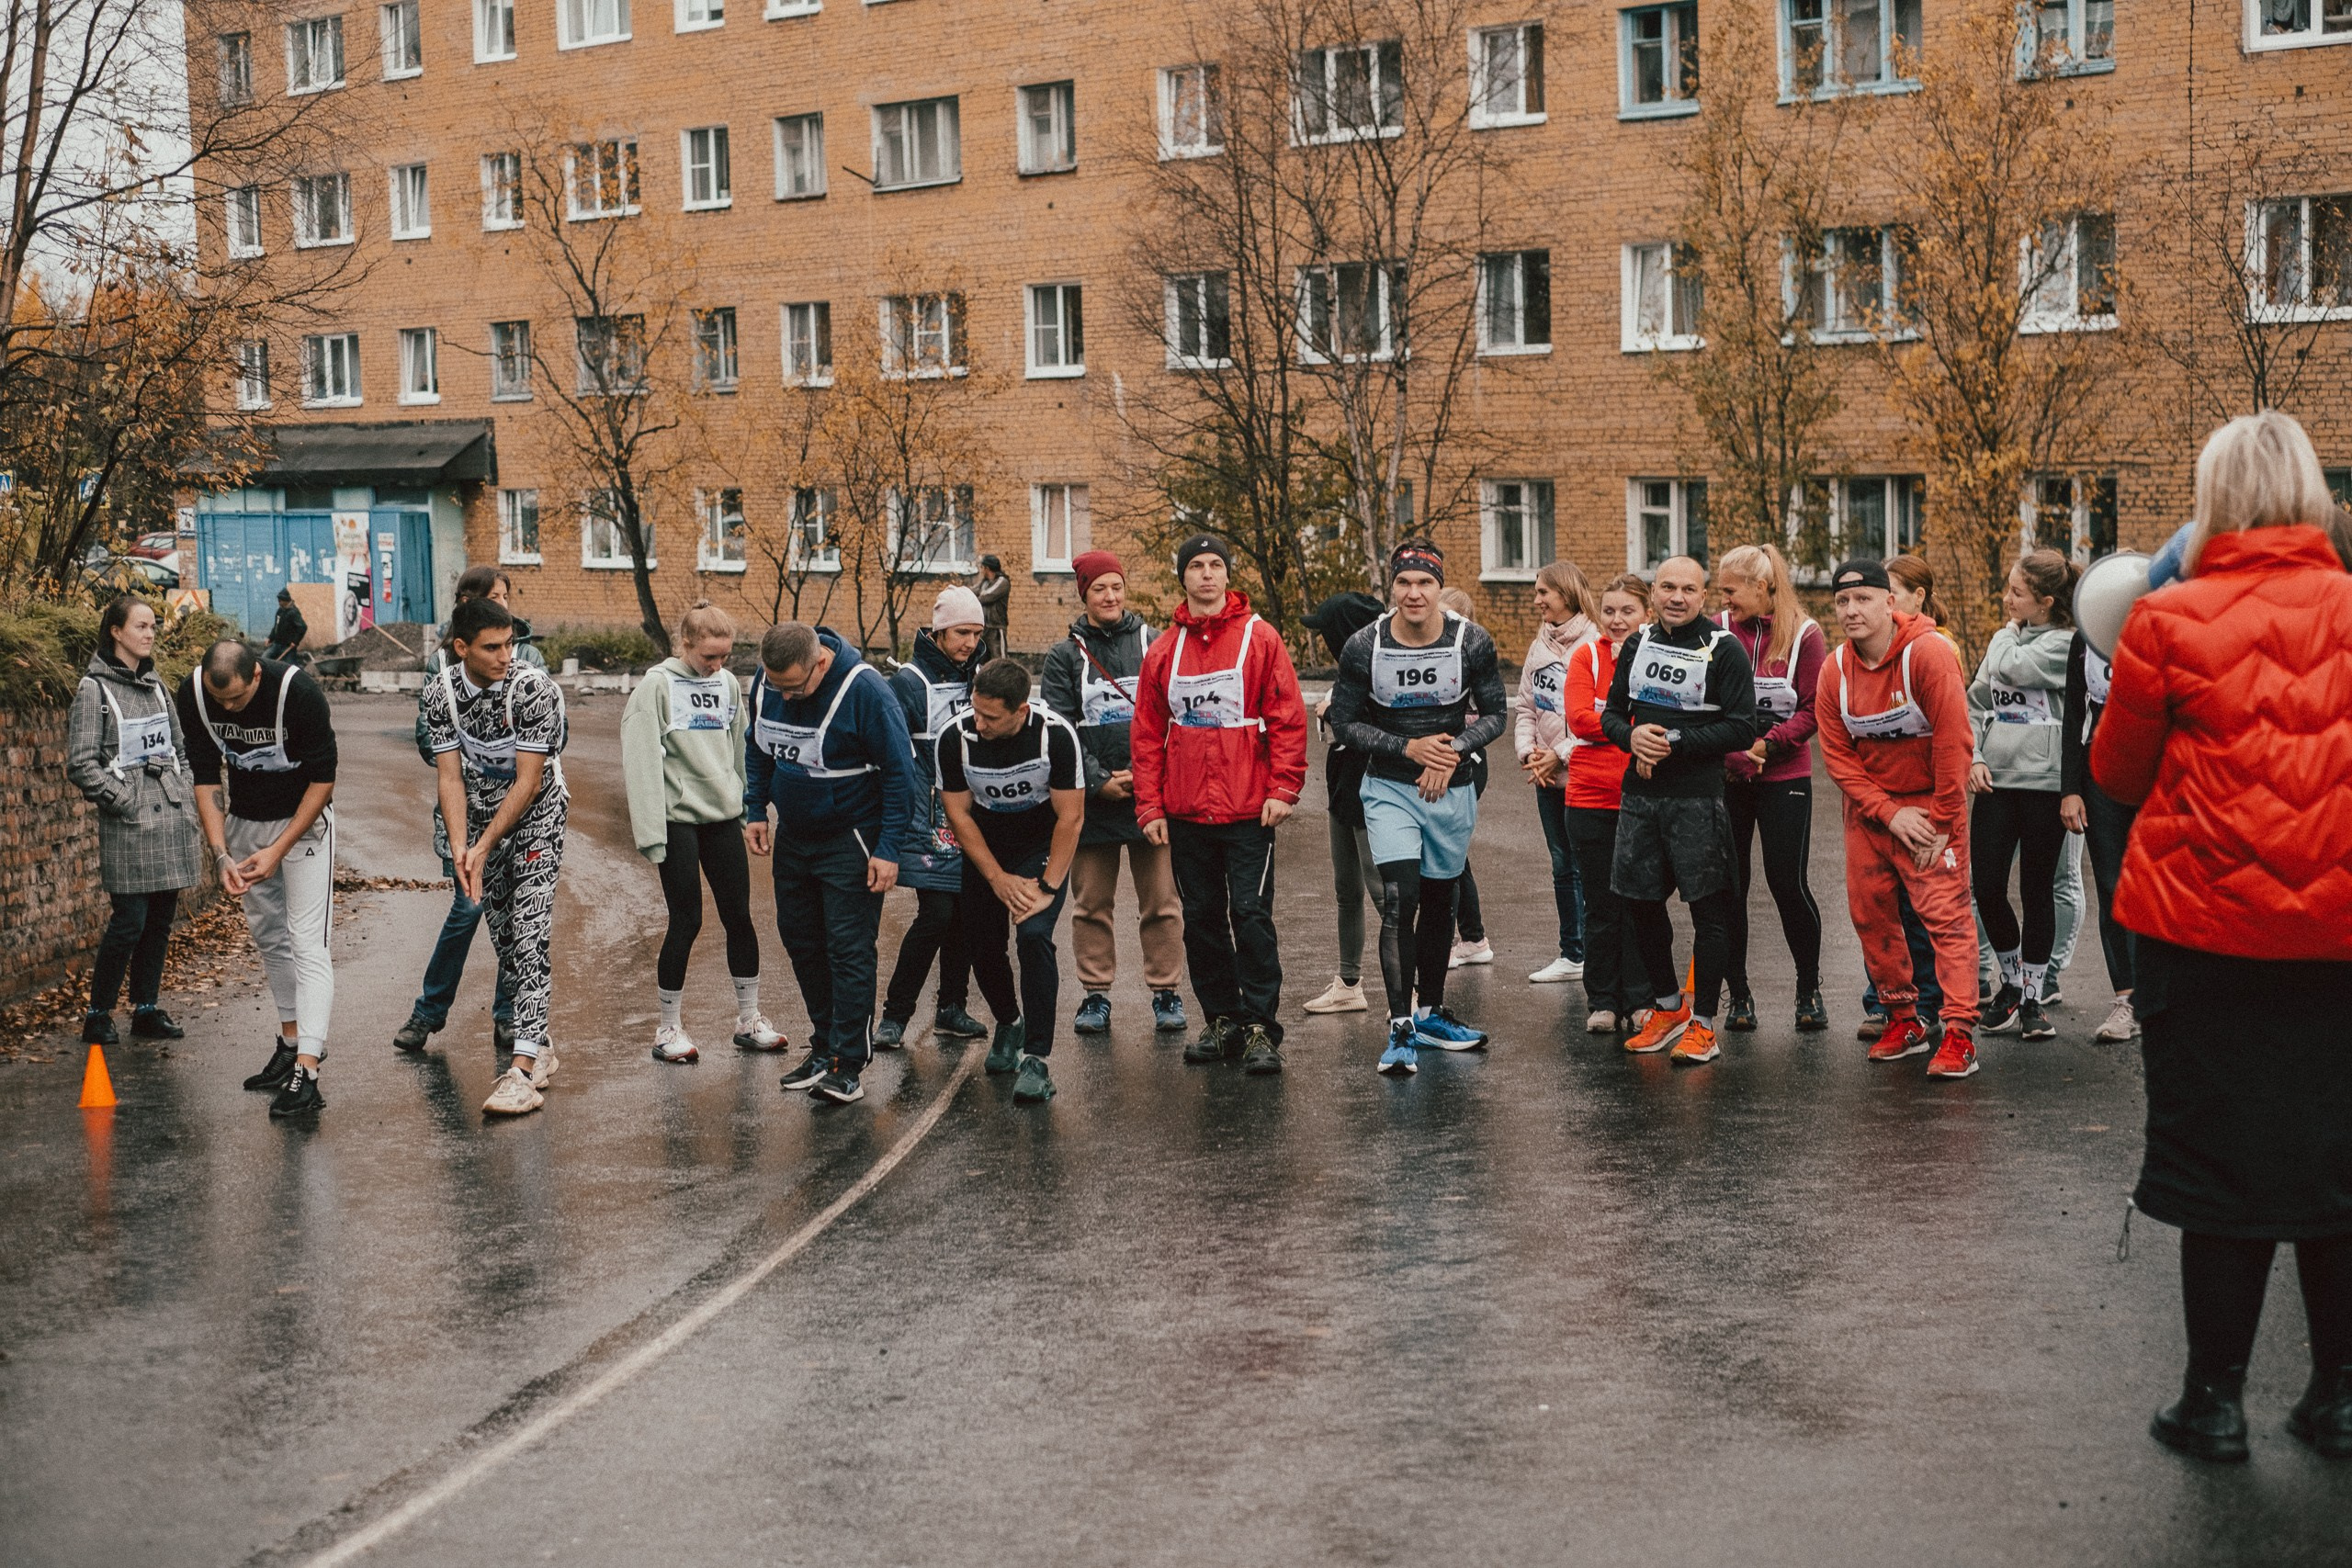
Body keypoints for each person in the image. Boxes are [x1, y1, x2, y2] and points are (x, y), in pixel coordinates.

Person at [2091, 410, 2352, 1464]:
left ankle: (2213, 1403)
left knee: (2218, 1165)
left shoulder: (2166, 618)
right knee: (2337, 1162)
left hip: (2204, 937)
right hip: (2341, 938)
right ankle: (2339, 1399)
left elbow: (2116, 773)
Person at [1326, 541, 1509, 1076]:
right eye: (1404, 583)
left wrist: (1452, 751)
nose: (1414, 593)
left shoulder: (1471, 641)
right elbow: (1345, 722)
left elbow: (1495, 714)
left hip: (1452, 788)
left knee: (1440, 899)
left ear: (1438, 587)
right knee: (1399, 898)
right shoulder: (1365, 645)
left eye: (1425, 582)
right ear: (1392, 588)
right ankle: (1401, 1025)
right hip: (1389, 787)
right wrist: (1409, 748)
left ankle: (1430, 1014)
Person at [1131, 533, 1308, 1074]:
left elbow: (1287, 717)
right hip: (1187, 813)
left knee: (1250, 915)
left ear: (1228, 574)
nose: (1206, 574)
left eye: (1215, 565)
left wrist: (1283, 789)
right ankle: (1222, 1019)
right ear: (1183, 577)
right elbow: (1147, 733)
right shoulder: (1164, 650)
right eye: (1196, 566)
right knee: (1202, 919)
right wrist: (1149, 807)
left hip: (1250, 811)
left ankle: (1259, 1027)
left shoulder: (1260, 638)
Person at [1815, 558, 1982, 1078]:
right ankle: (1904, 1020)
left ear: (1890, 603)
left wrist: (1941, 822)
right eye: (1842, 601)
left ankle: (1959, 1033)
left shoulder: (1928, 654)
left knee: (1947, 920)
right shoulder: (1834, 670)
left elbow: (1955, 743)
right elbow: (1838, 757)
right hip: (1872, 814)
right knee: (1872, 916)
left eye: (1863, 598)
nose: (1851, 610)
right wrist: (1889, 814)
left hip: (1932, 812)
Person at [747, 621, 916, 1107]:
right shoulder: (769, 681)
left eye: (795, 688)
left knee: (848, 949)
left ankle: (847, 1063)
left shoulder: (867, 692)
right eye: (777, 686)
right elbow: (758, 747)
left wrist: (889, 849)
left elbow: (901, 775)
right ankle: (823, 1046)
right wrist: (755, 808)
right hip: (795, 836)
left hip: (851, 837)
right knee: (801, 941)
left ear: (820, 662)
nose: (786, 697)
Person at [1603, 556, 1757, 1065]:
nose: (1676, 597)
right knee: (1641, 904)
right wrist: (1632, 738)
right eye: (1667, 587)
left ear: (1703, 596)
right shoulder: (1638, 643)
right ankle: (1668, 1009)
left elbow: (1742, 728)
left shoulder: (1724, 648)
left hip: (1697, 800)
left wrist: (1672, 740)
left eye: (1688, 589)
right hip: (1640, 799)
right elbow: (1612, 715)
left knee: (1709, 912)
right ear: (1653, 593)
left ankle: (1705, 1025)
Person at [419, 598, 570, 1116]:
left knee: (529, 934)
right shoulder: (441, 693)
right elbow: (450, 777)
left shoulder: (531, 689)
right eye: (492, 647)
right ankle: (540, 1043)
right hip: (482, 814)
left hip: (537, 813)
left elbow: (529, 781)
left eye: (510, 644)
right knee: (506, 940)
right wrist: (463, 846)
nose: (507, 655)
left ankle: (521, 1071)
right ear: (462, 648)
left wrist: (484, 846)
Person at [176, 638, 338, 1117]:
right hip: (246, 823)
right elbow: (205, 776)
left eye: (237, 699)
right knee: (270, 937)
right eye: (219, 699)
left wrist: (278, 849)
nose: (228, 709)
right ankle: (290, 1044)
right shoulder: (194, 694)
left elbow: (324, 780)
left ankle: (308, 1072)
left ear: (257, 677)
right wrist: (221, 853)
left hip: (303, 824)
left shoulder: (299, 694)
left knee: (307, 941)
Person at [621, 601, 785, 1063]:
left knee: (739, 917)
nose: (717, 664)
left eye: (724, 656)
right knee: (686, 920)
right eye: (709, 656)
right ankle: (667, 1028)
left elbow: (741, 748)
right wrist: (650, 833)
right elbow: (640, 761)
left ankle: (749, 1020)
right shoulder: (655, 687)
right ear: (685, 644)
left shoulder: (727, 684)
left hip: (721, 818)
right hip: (678, 821)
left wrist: (752, 809)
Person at [1041, 550, 1187, 1035]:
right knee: (1090, 906)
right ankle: (1095, 995)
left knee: (1162, 902)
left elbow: (1174, 716)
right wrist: (1098, 780)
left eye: (1116, 587)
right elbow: (1060, 728)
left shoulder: (1155, 642)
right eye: (1099, 588)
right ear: (1084, 594)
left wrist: (1147, 778)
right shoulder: (1064, 657)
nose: (1110, 596)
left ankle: (1166, 991)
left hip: (1151, 798)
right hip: (1092, 802)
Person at [394, 569, 540, 1055]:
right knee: (470, 905)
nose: (505, 607)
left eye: (507, 597)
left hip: (519, 811)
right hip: (465, 811)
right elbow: (430, 743)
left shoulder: (528, 658)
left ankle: (508, 1015)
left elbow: (549, 738)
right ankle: (429, 1011)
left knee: (516, 913)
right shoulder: (441, 667)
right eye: (494, 598)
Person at [936, 659, 1088, 1103]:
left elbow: (1071, 818)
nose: (978, 723)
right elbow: (958, 814)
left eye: (990, 717)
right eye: (975, 711)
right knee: (981, 942)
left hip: (1040, 845)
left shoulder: (1055, 735)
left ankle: (1037, 1058)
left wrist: (1047, 887)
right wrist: (997, 878)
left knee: (1034, 936)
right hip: (987, 846)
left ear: (1020, 710)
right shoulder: (955, 737)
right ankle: (1009, 1022)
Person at [68, 597, 202, 1048]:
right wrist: (125, 801)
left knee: (160, 922)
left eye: (153, 627)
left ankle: (146, 1008)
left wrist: (182, 789)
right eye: (140, 626)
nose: (149, 634)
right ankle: (98, 1014)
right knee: (129, 921)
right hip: (129, 826)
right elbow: (81, 763)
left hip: (170, 822)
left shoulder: (158, 685)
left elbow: (180, 750)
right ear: (116, 631)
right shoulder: (94, 689)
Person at [1713, 543, 1828, 1032]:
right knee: (1730, 887)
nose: (1724, 600)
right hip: (1729, 774)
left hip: (1784, 775)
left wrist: (1767, 746)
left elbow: (1813, 708)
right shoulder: (1718, 629)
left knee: (1787, 883)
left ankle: (1808, 989)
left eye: (1731, 591)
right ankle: (1738, 995)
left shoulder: (1805, 634)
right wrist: (1734, 753)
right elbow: (1705, 701)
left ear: (1761, 587)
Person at [1966, 547, 2077, 1041]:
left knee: (2037, 890)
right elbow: (1975, 703)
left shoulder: (2064, 644)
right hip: (1996, 781)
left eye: (2017, 592)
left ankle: (2033, 997)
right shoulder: (2006, 639)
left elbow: (2011, 668)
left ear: (2046, 602)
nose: (2007, 599)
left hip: (2044, 786)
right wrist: (1975, 755)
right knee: (1988, 885)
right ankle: (2011, 984)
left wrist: (2004, 635)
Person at [877, 587, 989, 1048]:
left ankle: (951, 1008)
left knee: (963, 914)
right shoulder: (909, 683)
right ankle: (894, 1016)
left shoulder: (981, 675)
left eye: (977, 633)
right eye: (962, 633)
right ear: (939, 632)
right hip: (928, 818)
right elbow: (889, 754)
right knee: (936, 914)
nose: (970, 642)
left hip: (974, 814)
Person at [1857, 554, 1955, 1037]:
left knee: (1921, 910)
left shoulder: (1936, 650)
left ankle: (1930, 1004)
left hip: (1922, 799)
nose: (1883, 604)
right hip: (1878, 802)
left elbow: (1951, 734)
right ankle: (1884, 999)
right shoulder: (1858, 656)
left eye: (1889, 593)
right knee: (1878, 906)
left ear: (1916, 598)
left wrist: (1942, 815)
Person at [1561, 573, 1652, 1033]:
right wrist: (1632, 729)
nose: (1617, 620)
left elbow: (1666, 716)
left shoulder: (1656, 657)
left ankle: (1640, 999)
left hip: (1642, 799)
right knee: (1599, 904)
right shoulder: (1587, 656)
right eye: (1609, 611)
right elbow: (1579, 719)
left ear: (1646, 615)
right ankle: (1602, 1001)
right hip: (1589, 799)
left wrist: (1615, 725)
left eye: (1627, 611)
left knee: (1639, 904)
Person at [1300, 591, 1388, 1014]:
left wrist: (1331, 712)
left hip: (1371, 789)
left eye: (1326, 631)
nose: (1322, 640)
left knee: (1383, 893)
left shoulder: (1380, 671)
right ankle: (1349, 984)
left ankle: (1412, 992)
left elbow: (1370, 725)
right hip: (1341, 788)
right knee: (1346, 890)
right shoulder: (1348, 670)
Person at [1511, 562, 1598, 986]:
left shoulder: (1596, 643)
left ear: (1567, 592)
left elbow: (1602, 718)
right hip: (1545, 776)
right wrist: (1528, 752)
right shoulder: (1539, 646)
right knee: (1562, 865)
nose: (1537, 600)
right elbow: (1527, 707)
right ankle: (1572, 953)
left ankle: (1600, 954)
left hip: (1585, 775)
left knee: (1592, 867)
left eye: (1544, 592)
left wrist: (1560, 755)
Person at [2062, 623, 2138, 1043]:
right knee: (2112, 886)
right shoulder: (2086, 636)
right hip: (2101, 775)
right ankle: (2127, 999)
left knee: (2165, 884)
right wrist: (2070, 789)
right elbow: (2074, 714)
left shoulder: (2168, 626)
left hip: (2158, 771)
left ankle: (2170, 994)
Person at [1437, 585, 1502, 970]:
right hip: (1445, 759)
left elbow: (1487, 714)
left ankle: (1465, 938)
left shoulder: (1471, 656)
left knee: (1448, 852)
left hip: (1467, 761)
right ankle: (1473, 937)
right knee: (1452, 853)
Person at [972, 555, 1011, 662]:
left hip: (996, 627)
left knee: (999, 660)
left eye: (982, 567)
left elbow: (986, 596)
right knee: (981, 659)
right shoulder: (985, 582)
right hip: (984, 628)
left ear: (987, 568)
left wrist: (974, 599)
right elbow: (973, 591)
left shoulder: (1002, 582)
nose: (981, 570)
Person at [265, 588, 308, 663]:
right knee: (264, 659)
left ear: (285, 600)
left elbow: (303, 627)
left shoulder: (293, 613)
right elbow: (276, 627)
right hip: (276, 644)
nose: (279, 603)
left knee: (289, 667)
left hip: (287, 647)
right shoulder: (280, 611)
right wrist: (270, 638)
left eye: (280, 601)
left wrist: (295, 641)